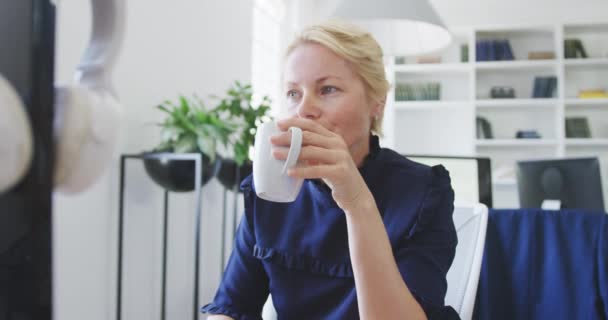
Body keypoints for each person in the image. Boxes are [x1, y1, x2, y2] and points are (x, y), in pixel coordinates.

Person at [202, 20, 459, 320]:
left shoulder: (423, 192)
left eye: (327, 89)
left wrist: (356, 202)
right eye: (293, 93)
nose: (304, 109)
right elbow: (231, 307)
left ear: (377, 101)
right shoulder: (270, 190)